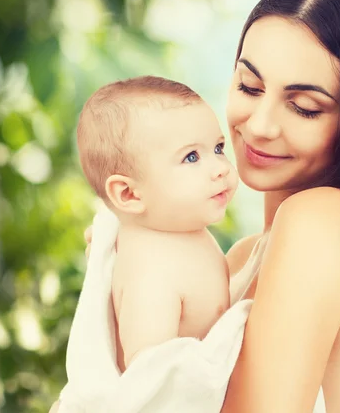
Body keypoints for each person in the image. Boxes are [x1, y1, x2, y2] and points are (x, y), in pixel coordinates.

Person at [80, 0, 340, 412]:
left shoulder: (323, 222)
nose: (260, 126)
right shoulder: (238, 259)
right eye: (249, 85)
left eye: (304, 108)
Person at [76, 76, 238, 373]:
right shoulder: (150, 271)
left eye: (217, 148)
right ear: (129, 194)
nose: (221, 169)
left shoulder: (180, 232)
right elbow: (150, 382)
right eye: (191, 157)